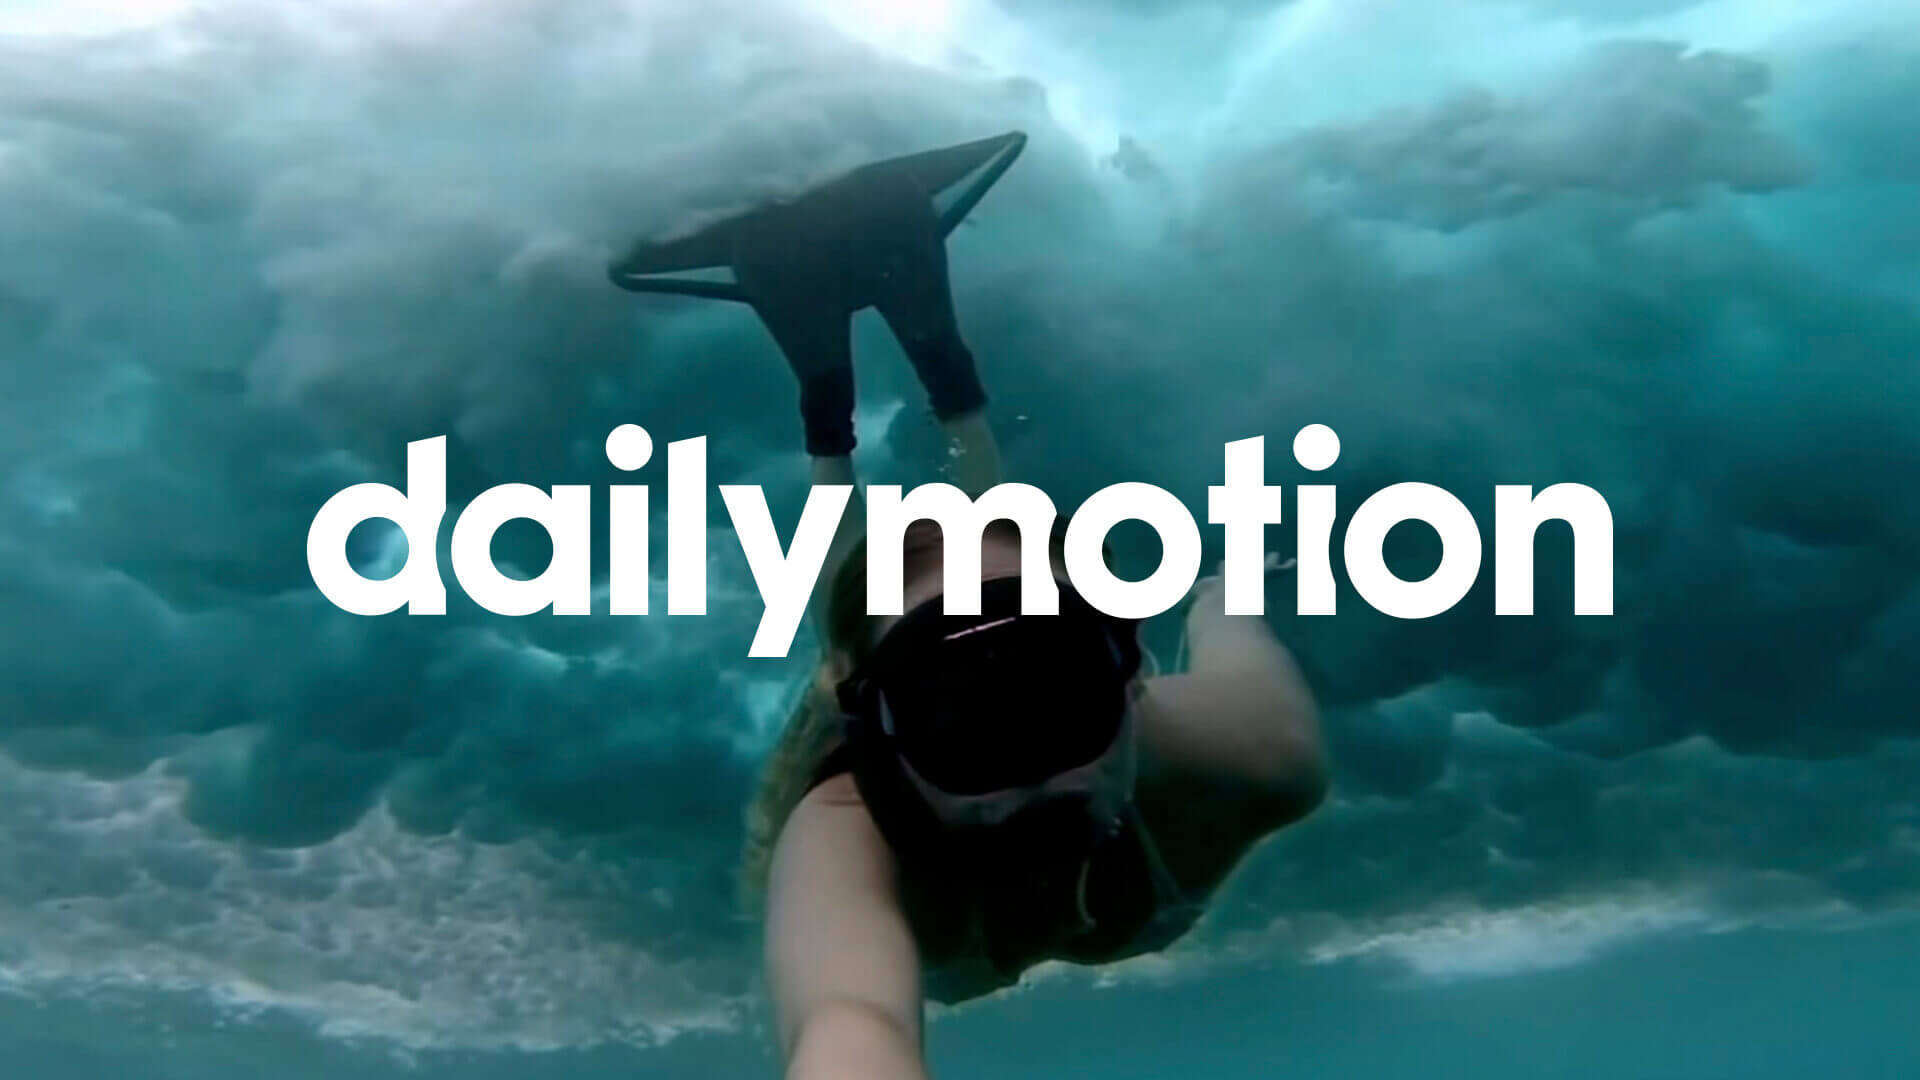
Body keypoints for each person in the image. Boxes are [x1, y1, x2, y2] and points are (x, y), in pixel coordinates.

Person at [613, 133, 1329, 1080]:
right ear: (880, 724)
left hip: (887, 683)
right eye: (961, 712)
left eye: (1053, 688)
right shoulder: (849, 828)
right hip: (880, 696)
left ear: (1130, 670)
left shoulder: (1260, 755)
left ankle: (827, 402)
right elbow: (847, 1022)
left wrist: (1225, 591)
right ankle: (910, 382)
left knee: (882, 610)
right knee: (880, 613)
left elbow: (850, 1024)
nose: (1025, 765)